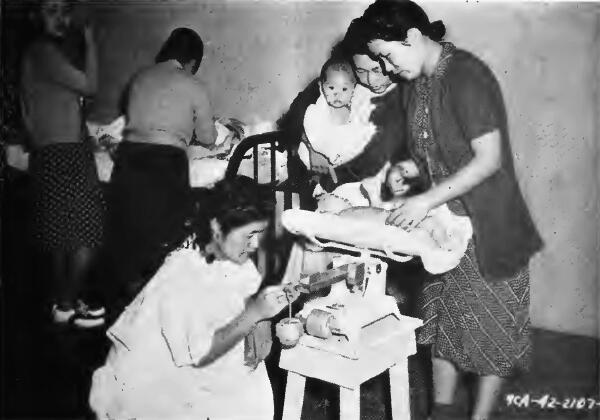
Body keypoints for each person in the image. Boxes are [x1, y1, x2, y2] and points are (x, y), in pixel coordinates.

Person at [355, 1, 543, 418]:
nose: (384, 69)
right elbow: (433, 152)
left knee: (490, 332)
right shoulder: (415, 85)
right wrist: (408, 172)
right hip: (447, 225)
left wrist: (424, 200)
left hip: (489, 227)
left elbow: (489, 159)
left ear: (414, 37)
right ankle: (440, 410)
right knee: (441, 325)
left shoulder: (466, 75)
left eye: (387, 56)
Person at [89, 176, 298, 419]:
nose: (256, 244)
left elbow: (245, 294)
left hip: (199, 348)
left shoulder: (232, 258)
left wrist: (262, 316)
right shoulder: (182, 275)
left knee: (252, 387)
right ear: (218, 228)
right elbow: (197, 354)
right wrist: (255, 314)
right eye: (249, 235)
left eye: (261, 233)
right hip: (156, 378)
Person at [97, 27, 226, 321]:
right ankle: (158, 313)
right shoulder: (191, 83)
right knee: (164, 237)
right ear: (193, 62)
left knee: (128, 235)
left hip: (128, 160)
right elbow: (208, 137)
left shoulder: (139, 79)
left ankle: (121, 313)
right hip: (165, 163)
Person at [20, 0, 105, 327]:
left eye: (64, 11)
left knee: (61, 235)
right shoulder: (42, 52)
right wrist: (90, 41)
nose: (62, 18)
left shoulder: (34, 56)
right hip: (65, 154)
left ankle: (63, 301)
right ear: (35, 15)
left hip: (49, 153)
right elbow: (91, 86)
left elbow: (39, 114)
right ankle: (68, 302)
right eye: (51, 10)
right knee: (88, 231)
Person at [277, 27, 408, 211]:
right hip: (326, 171)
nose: (371, 80)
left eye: (377, 70)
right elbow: (293, 120)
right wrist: (310, 148)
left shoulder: (405, 89)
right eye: (361, 71)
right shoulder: (340, 83)